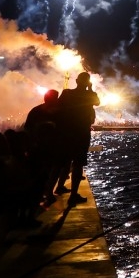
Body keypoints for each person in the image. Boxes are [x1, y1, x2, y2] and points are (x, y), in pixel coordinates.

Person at [57, 72, 100, 205]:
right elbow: (97, 102)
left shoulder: (66, 93)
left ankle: (58, 187)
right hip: (81, 133)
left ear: (76, 81)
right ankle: (73, 195)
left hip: (66, 132)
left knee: (65, 161)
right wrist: (90, 89)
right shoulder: (89, 95)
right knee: (78, 163)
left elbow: (59, 107)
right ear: (87, 82)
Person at [23, 89, 65, 207]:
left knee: (44, 171)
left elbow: (28, 128)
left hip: (41, 146)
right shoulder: (58, 112)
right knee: (49, 170)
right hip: (46, 146)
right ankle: (45, 193)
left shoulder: (36, 111)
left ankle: (42, 194)